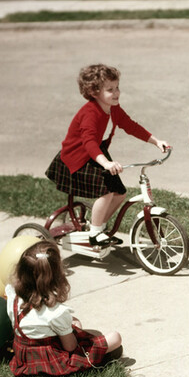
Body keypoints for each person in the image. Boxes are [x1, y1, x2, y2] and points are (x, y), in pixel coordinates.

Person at [46, 64, 170, 248]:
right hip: (76, 158)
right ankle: (95, 234)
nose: (116, 93)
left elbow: (130, 125)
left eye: (117, 87)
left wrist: (156, 141)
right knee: (106, 192)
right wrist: (106, 163)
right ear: (94, 92)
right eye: (110, 89)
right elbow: (88, 142)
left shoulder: (113, 108)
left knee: (120, 193)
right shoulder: (90, 113)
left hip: (97, 154)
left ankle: (100, 227)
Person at [5, 240, 123, 377]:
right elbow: (70, 347)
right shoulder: (55, 312)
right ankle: (93, 360)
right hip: (51, 360)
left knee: (82, 327)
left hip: (24, 355)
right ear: (56, 276)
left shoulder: (12, 294)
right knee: (115, 337)